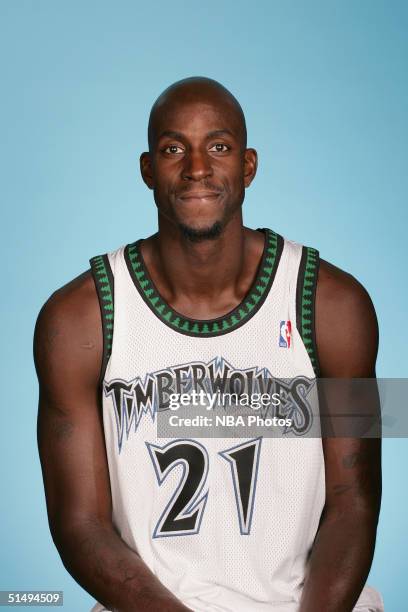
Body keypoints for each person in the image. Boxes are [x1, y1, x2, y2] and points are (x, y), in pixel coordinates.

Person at [34, 77, 384, 612]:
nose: (197, 168)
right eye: (174, 149)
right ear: (148, 169)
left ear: (247, 166)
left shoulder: (337, 306)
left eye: (218, 147)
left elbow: (354, 501)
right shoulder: (76, 319)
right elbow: (79, 523)